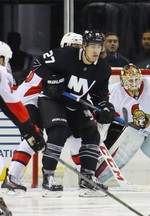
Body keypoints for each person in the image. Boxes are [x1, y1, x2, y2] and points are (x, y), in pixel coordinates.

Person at [1, 32, 85, 196]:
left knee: (74, 133)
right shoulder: (58, 62)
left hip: (45, 101)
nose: (78, 51)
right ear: (66, 47)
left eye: (79, 48)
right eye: (74, 47)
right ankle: (12, 177)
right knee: (33, 135)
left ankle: (86, 176)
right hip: (30, 100)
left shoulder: (71, 64)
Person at [33, 29, 115, 198]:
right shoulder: (65, 55)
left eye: (99, 47)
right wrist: (52, 79)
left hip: (75, 103)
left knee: (92, 133)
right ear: (84, 46)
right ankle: (48, 177)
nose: (96, 50)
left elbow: (99, 95)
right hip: (52, 100)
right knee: (59, 130)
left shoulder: (103, 69)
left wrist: (105, 107)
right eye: (92, 46)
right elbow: (37, 64)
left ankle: (87, 179)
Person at [0, 41, 45, 214]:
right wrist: (29, 129)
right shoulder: (1, 72)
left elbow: (6, 105)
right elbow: (12, 104)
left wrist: (27, 129)